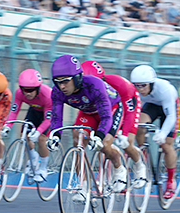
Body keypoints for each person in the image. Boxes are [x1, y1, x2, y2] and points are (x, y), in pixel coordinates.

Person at [50, 55, 127, 192]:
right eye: (58, 82)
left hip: (111, 109)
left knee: (104, 144)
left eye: (66, 81)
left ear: (77, 78)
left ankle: (119, 167)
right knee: (77, 139)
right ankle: (83, 185)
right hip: (88, 112)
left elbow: (106, 117)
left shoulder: (94, 85)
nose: (62, 86)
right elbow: (57, 118)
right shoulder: (57, 92)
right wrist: (55, 136)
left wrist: (99, 135)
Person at [81, 61, 146, 187]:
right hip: (108, 107)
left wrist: (125, 133)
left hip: (128, 105)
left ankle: (139, 166)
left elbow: (129, 111)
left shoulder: (122, 86)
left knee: (127, 142)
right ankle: (105, 175)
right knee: (102, 142)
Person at [130, 64, 179, 199]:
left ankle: (170, 181)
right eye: (137, 86)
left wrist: (162, 134)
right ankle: (143, 157)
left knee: (166, 145)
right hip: (151, 106)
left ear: (151, 83)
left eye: (143, 85)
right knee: (139, 125)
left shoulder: (165, 90)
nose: (140, 89)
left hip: (168, 109)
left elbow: (171, 116)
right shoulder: (135, 91)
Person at [2, 69, 53, 182]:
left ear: (38, 88)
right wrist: (7, 126)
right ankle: (33, 157)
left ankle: (43, 169)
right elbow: (14, 111)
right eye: (25, 90)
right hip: (34, 110)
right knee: (25, 134)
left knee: (41, 139)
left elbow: (48, 120)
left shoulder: (47, 95)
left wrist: (39, 131)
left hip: (49, 113)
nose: (27, 93)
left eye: (31, 90)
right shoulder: (19, 93)